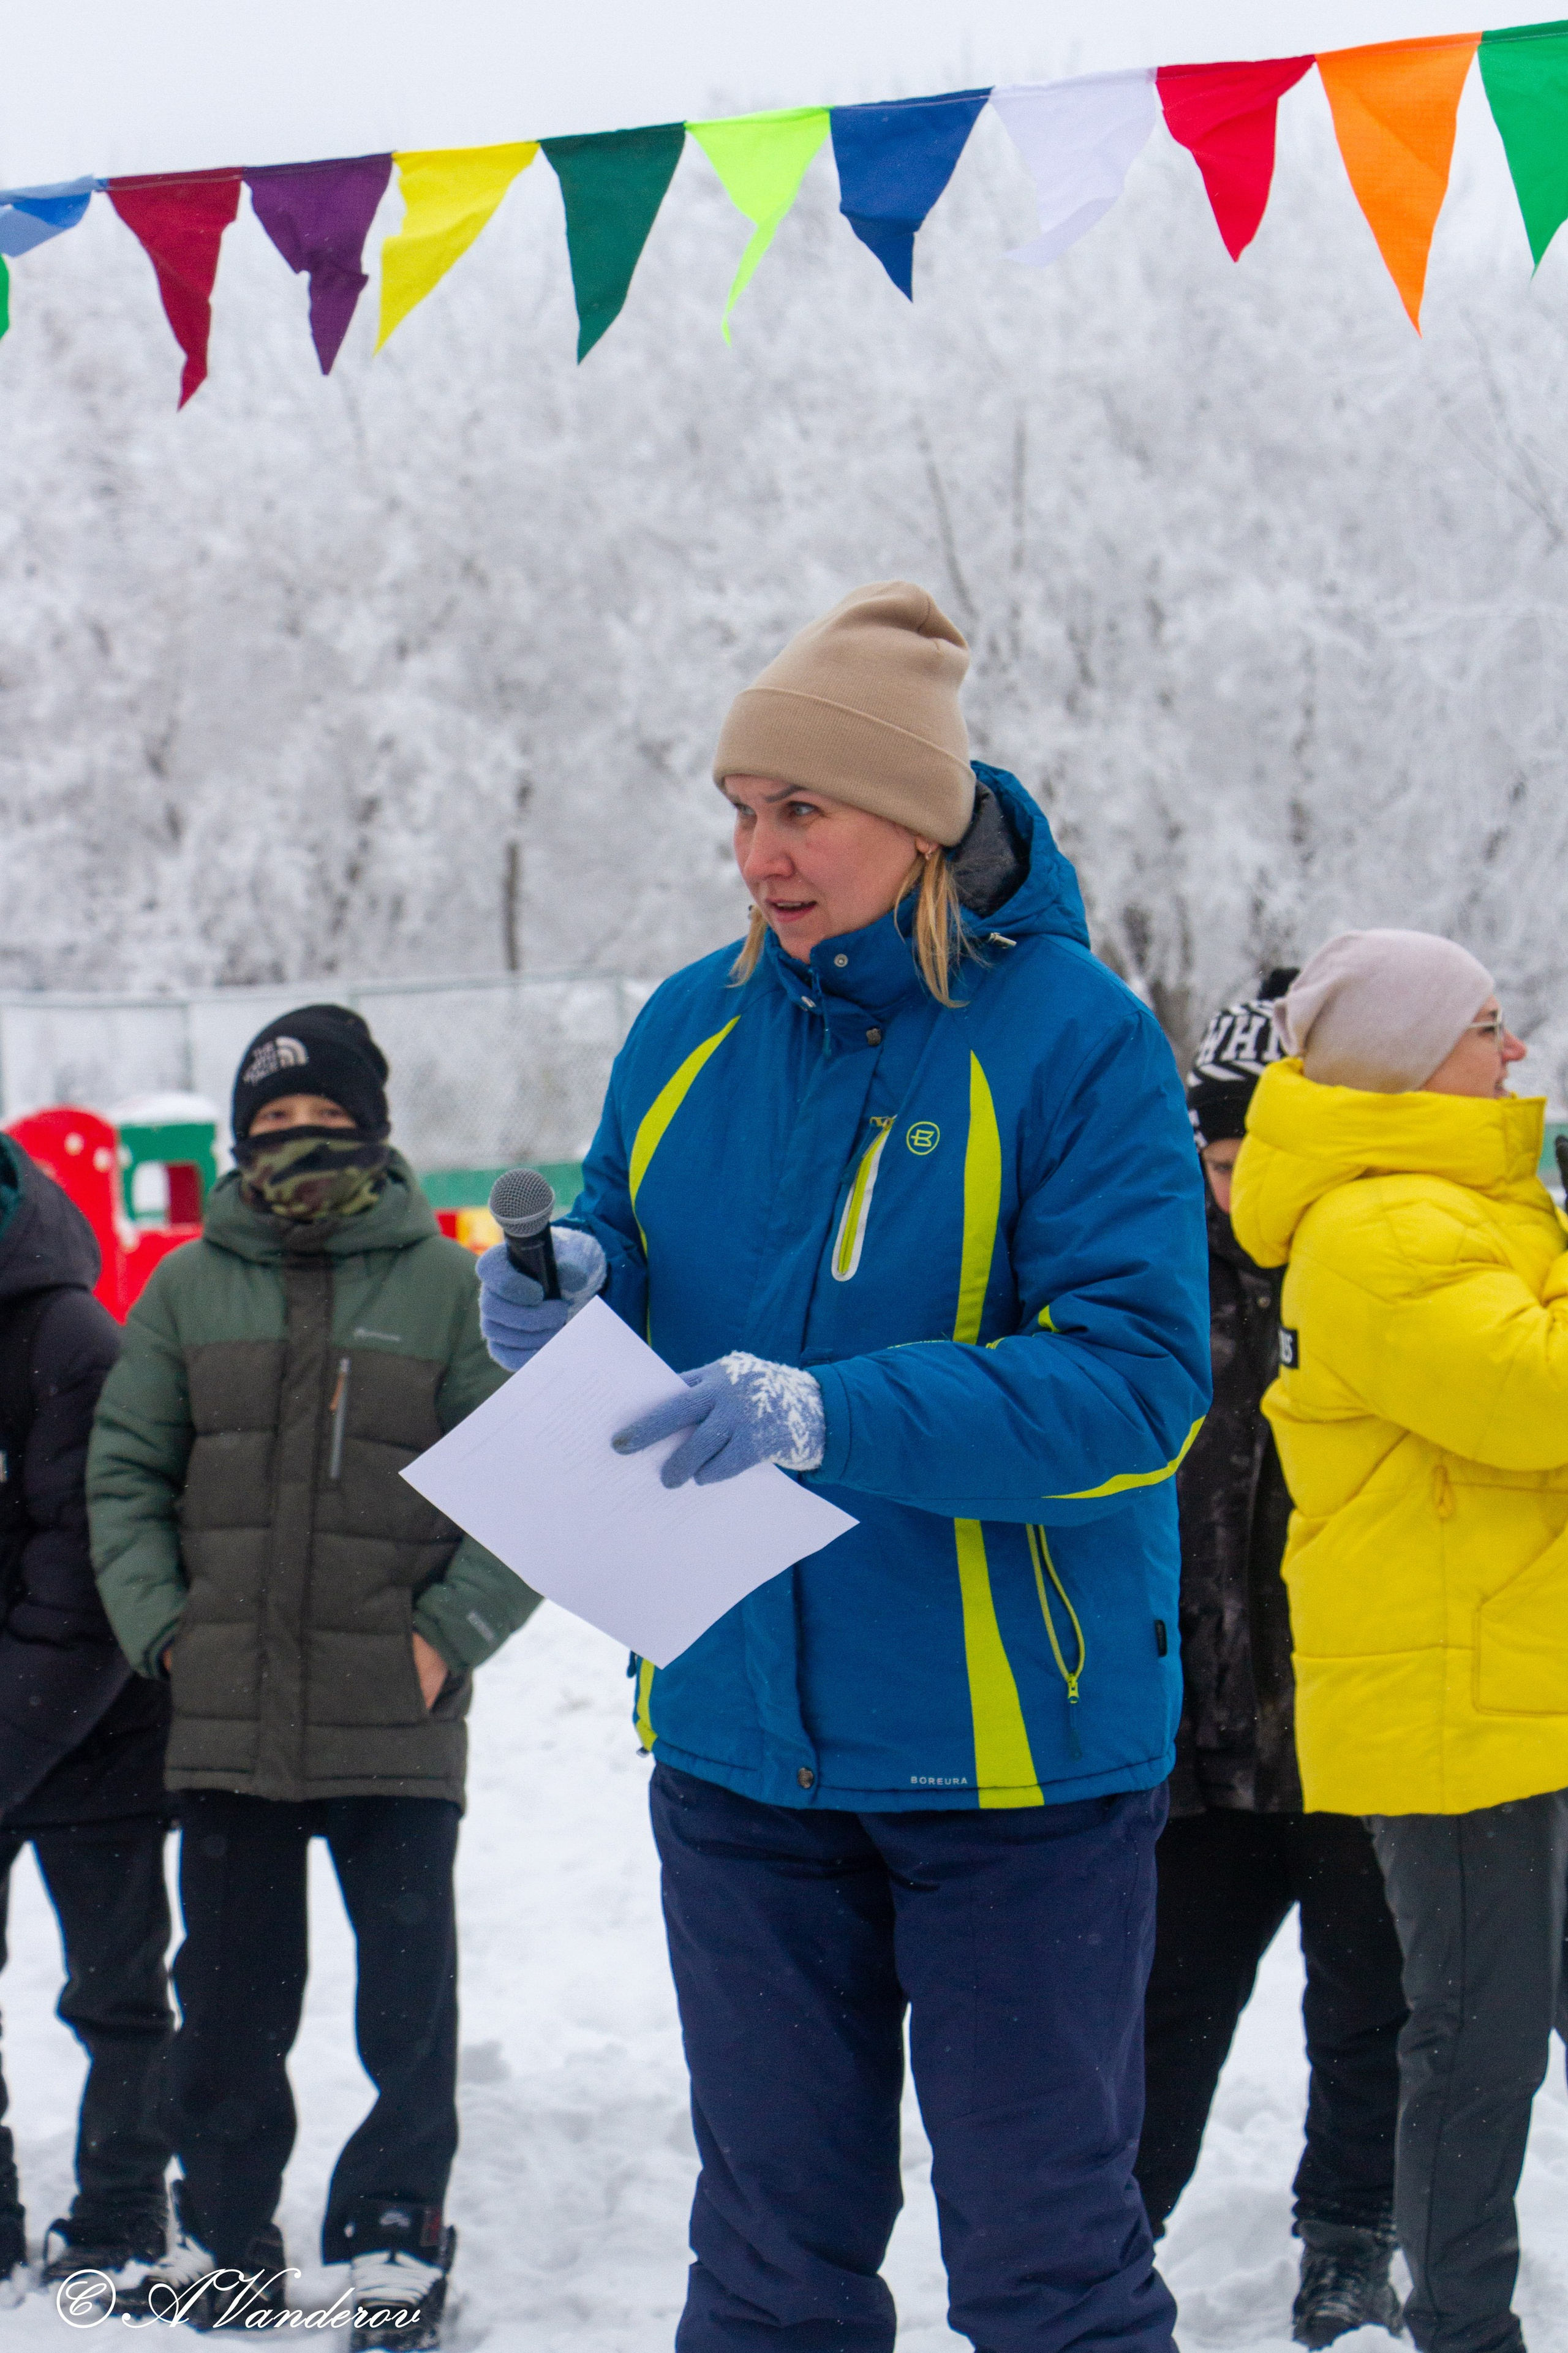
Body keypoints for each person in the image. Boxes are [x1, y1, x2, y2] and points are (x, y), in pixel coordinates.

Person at [477, 583, 1212, 2353]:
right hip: (741, 1750)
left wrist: (833, 1413)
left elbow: (1138, 1389)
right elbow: (629, 1240)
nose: (760, 855)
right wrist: (573, 1290)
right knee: (766, 2273)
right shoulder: (690, 1025)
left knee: (1047, 2270)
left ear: (916, 819)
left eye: (800, 808)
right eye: (740, 811)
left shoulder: (1076, 1040)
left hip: (1014, 1770)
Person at [87, 1005, 541, 2346]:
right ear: (240, 1142)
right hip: (228, 1716)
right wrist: (166, 1631)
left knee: (406, 1998)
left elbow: (523, 1490)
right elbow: (123, 1475)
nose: (300, 1139)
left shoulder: (449, 1289)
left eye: (326, 1117)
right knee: (229, 2001)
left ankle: (395, 2225)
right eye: (274, 1122)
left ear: (375, 1129)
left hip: (395, 1714)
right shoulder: (185, 1288)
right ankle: (225, 2228)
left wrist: (446, 1635)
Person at [1231, 929, 1568, 2353]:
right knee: (1474, 2045)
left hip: (1515, 1680)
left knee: (1486, 2030)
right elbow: (1534, 1395)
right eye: (1485, 1025)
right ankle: (1464, 2331)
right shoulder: (1379, 1228)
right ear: (1406, 1058)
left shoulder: (1462, 1206)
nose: (1513, 1048)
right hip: (1451, 1707)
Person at [1134, 980, 1408, 2348]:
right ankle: (1108, 2242)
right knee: (1160, 2014)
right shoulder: (1147, 1275)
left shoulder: (1375, 1263)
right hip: (1198, 1740)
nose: (1238, 1184)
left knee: (1370, 2012)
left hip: (1360, 1731)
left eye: (1262, 1154)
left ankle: (1349, 2243)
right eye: (1218, 1154)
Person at [0, 1134, 172, 2302]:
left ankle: (121, 2209)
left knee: (116, 1994)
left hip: (94, 1724)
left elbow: (90, 1578)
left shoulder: (69, 1339)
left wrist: (11, 1739)